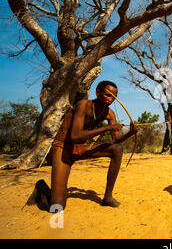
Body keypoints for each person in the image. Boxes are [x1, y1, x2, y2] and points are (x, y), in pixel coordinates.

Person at [49, 80, 137, 210]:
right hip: (63, 147)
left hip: (81, 148)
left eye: (114, 97)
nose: (111, 99)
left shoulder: (109, 114)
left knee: (116, 149)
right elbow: (74, 136)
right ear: (98, 93)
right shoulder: (83, 105)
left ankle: (107, 197)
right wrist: (107, 128)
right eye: (108, 95)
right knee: (57, 206)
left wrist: (130, 133)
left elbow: (116, 141)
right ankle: (41, 188)